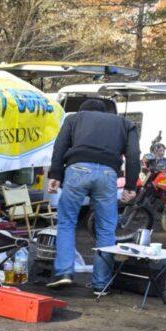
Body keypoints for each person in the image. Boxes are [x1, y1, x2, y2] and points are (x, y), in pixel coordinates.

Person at [46, 98, 140, 294]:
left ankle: (64, 272)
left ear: (83, 111)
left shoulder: (74, 118)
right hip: (108, 173)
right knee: (106, 229)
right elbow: (133, 155)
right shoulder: (125, 124)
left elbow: (60, 146)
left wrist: (55, 175)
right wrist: (131, 186)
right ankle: (101, 284)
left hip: (77, 170)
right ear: (106, 112)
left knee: (67, 222)